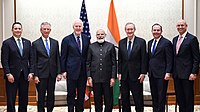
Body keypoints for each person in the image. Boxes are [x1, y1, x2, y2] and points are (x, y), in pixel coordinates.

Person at [1, 22, 33, 112]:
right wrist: (8, 74)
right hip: (12, 76)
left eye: (19, 28)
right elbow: (4, 60)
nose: (18, 30)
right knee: (11, 99)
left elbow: (31, 59)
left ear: (22, 30)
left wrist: (31, 72)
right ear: (12, 30)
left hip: (25, 75)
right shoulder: (7, 43)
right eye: (15, 28)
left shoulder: (27, 42)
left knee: (24, 98)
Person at [61, 19, 90, 112]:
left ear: (82, 28)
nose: (78, 28)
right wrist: (63, 71)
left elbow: (88, 56)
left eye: (79, 26)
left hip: (83, 71)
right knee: (71, 94)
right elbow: (63, 56)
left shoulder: (86, 38)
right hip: (71, 71)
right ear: (73, 27)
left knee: (81, 94)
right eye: (76, 26)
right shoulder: (66, 40)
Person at [32, 22, 62, 112]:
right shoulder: (35, 43)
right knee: (41, 96)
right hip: (41, 74)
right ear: (40, 30)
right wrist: (35, 75)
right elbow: (34, 60)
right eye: (44, 29)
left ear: (50, 30)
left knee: (51, 95)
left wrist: (59, 73)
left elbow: (57, 58)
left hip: (52, 74)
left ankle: (50, 110)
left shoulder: (55, 42)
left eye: (48, 29)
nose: (46, 31)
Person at [118, 22, 147, 112]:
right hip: (124, 75)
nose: (129, 31)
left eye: (131, 29)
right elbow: (120, 59)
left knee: (138, 98)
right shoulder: (121, 42)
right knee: (125, 98)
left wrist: (143, 73)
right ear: (125, 30)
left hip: (137, 75)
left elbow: (144, 59)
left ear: (134, 30)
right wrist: (119, 73)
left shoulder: (141, 42)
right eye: (128, 29)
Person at [172, 19, 200, 112]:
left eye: (182, 25)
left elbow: (196, 58)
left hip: (188, 74)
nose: (180, 27)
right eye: (178, 25)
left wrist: (194, 72)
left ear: (186, 26)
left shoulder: (192, 39)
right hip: (177, 74)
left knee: (188, 98)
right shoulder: (175, 39)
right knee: (180, 98)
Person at [86, 29, 117, 112]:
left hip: (107, 78)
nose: (100, 36)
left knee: (108, 100)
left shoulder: (110, 46)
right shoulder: (91, 47)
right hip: (95, 78)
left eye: (102, 34)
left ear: (105, 35)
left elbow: (114, 63)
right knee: (97, 99)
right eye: (98, 34)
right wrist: (89, 77)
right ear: (96, 36)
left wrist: (113, 77)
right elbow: (88, 63)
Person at [147, 23, 173, 112]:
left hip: (162, 74)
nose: (156, 32)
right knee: (154, 96)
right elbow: (150, 58)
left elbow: (170, 59)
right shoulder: (150, 42)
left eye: (158, 30)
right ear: (152, 31)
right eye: (154, 30)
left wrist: (168, 72)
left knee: (161, 96)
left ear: (161, 31)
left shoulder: (167, 43)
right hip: (152, 74)